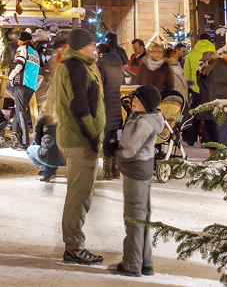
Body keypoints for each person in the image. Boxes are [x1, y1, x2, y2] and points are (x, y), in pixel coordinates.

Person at [53, 27, 107, 265]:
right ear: (81, 47)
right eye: (91, 44)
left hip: (72, 137)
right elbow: (80, 107)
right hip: (80, 140)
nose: (94, 48)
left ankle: (73, 244)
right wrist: (94, 135)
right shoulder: (76, 68)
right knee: (79, 196)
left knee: (78, 193)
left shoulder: (71, 65)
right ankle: (74, 247)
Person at [111, 84, 165, 277]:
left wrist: (115, 152)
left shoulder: (145, 122)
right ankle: (145, 262)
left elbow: (131, 150)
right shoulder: (142, 117)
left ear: (147, 104)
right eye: (134, 98)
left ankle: (132, 264)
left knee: (133, 217)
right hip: (140, 169)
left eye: (138, 100)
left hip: (136, 170)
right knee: (142, 216)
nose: (134, 101)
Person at [29, 41, 65, 182]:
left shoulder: (54, 90)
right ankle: (50, 169)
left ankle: (47, 169)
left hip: (53, 122)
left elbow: (38, 131)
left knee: (40, 145)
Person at [96, 41, 128, 178]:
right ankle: (116, 171)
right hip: (116, 104)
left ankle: (107, 171)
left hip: (106, 104)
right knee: (114, 138)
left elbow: (100, 85)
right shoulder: (118, 63)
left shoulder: (102, 65)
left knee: (106, 137)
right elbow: (121, 83)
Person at [8, 30, 41, 149]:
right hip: (31, 86)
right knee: (19, 109)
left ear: (23, 40)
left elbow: (18, 64)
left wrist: (10, 77)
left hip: (22, 84)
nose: (17, 42)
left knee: (21, 112)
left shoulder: (23, 49)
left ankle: (25, 141)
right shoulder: (36, 53)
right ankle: (16, 137)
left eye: (19, 40)